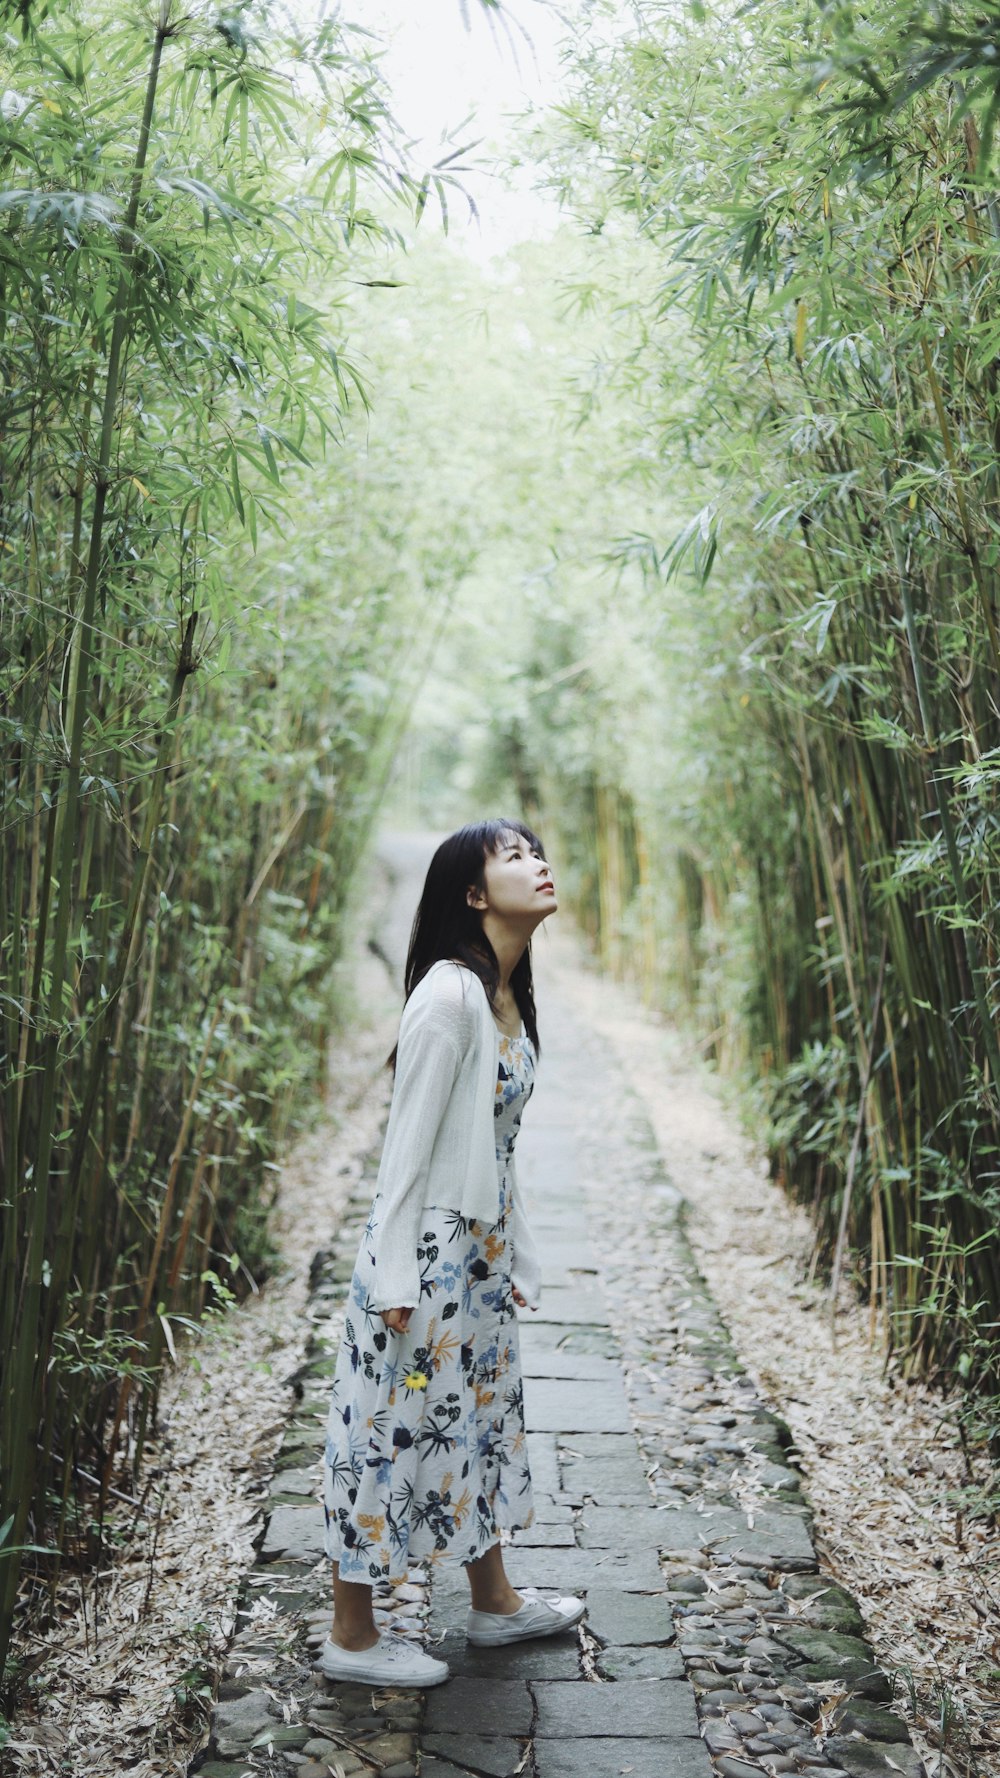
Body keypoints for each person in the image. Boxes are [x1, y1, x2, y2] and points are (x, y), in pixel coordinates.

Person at [315, 819, 584, 1687]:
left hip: (477, 1260)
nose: (538, 865)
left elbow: (495, 1149)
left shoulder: (507, 996)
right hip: (425, 1263)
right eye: (515, 857)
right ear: (473, 895)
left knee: (475, 1426)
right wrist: (394, 1273)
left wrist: (520, 1253)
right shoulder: (447, 996)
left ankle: (494, 1603)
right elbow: (404, 1153)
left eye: (536, 851)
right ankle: (351, 1639)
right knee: (389, 1431)